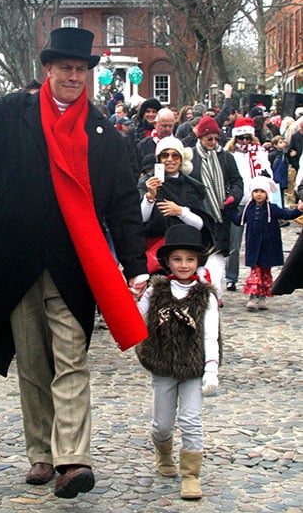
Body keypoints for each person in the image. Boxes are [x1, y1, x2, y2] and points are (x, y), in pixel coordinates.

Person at [0, 27, 149, 500]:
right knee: (31, 362)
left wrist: (135, 265)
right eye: (65, 68)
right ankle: (41, 454)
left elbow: (124, 204)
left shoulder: (104, 133)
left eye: (81, 70)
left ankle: (73, 459)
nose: (74, 76)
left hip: (73, 263)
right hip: (16, 258)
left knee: (71, 359)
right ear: (48, 69)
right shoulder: (13, 112)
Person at [136, 224, 221, 500]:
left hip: (195, 367)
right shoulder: (156, 291)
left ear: (198, 261)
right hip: (163, 364)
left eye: (190, 259)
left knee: (191, 419)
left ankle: (191, 475)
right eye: (177, 259)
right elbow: (137, 318)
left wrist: (211, 368)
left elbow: (211, 334)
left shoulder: (205, 295)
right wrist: (131, 295)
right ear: (167, 261)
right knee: (161, 424)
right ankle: (163, 454)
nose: (184, 265)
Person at [138, 136, 213, 275]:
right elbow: (140, 219)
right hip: (156, 251)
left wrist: (180, 212)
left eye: (175, 155)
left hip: (186, 250)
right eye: (165, 155)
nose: (170, 159)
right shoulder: (146, 183)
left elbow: (202, 224)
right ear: (159, 159)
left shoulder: (194, 186)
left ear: (181, 159)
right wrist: (150, 196)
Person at [190, 117, 243, 305]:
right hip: (199, 213)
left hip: (222, 212)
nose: (213, 143)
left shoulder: (226, 157)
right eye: (209, 139)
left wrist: (233, 197)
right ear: (200, 138)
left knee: (219, 253)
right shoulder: (191, 157)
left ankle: (215, 292)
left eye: (215, 139)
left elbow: (237, 181)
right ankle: (203, 289)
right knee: (201, 254)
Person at [230, 176, 303, 310]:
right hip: (253, 246)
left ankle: (262, 297)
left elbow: (287, 215)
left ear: (267, 193)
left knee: (265, 272)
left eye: (262, 191)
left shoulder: (273, 209)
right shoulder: (249, 209)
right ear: (252, 193)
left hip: (268, 247)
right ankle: (253, 296)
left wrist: (299, 210)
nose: (259, 194)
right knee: (255, 272)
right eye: (256, 191)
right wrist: (228, 210)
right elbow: (238, 220)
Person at [224, 117, 272, 292]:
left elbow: (267, 176)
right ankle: (231, 277)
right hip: (237, 202)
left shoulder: (259, 153)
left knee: (256, 242)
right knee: (234, 244)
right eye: (240, 138)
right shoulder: (229, 154)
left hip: (255, 202)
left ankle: (258, 277)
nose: (244, 141)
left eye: (247, 138)